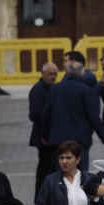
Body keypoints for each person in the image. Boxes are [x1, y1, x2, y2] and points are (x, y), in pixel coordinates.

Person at [41, 54, 104, 173]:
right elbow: (93, 116)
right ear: (82, 74)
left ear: (67, 73)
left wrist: (45, 136)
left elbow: (46, 114)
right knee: (81, 175)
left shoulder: (55, 89)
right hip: (80, 140)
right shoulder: (85, 90)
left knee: (61, 175)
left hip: (59, 140)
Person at [29, 62, 59, 197]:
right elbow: (34, 114)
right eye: (50, 74)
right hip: (43, 138)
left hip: (51, 137)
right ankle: (40, 198)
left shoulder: (53, 89)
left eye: (55, 74)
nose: (53, 77)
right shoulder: (38, 90)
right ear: (43, 74)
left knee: (51, 169)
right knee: (45, 170)